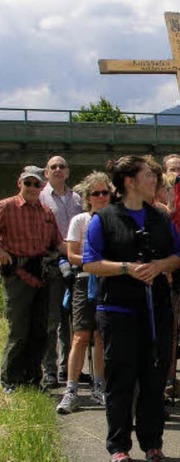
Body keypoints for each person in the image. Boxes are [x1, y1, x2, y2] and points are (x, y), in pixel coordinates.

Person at [83, 155, 180, 462]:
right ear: (130, 182)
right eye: (149, 176)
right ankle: (119, 447)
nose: (155, 181)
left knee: (154, 380)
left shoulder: (160, 219)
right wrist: (127, 268)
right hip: (118, 312)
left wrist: (158, 265)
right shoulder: (104, 219)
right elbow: (90, 263)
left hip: (157, 311)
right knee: (121, 380)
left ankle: (153, 443)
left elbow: (178, 256)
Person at [0, 166, 65, 394]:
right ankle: (9, 379)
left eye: (36, 184)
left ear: (42, 186)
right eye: (28, 183)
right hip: (17, 275)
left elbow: (58, 242)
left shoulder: (47, 212)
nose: (32, 188)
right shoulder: (6, 206)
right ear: (20, 183)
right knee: (19, 330)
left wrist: (85, 253)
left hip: (42, 276)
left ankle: (32, 379)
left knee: (41, 330)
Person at [56, 172, 112, 414]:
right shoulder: (80, 220)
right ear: (88, 197)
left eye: (105, 192)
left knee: (101, 337)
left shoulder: (116, 219)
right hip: (84, 281)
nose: (100, 197)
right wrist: (96, 262)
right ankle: (71, 390)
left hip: (108, 282)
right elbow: (72, 255)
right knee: (80, 336)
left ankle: (99, 386)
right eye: (95, 193)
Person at [40, 155, 83, 388]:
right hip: (54, 262)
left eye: (62, 166)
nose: (58, 169)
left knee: (74, 321)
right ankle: (50, 370)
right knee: (53, 319)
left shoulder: (76, 198)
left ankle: (69, 369)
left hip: (76, 262)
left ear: (68, 172)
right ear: (46, 173)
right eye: (53, 167)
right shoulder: (41, 197)